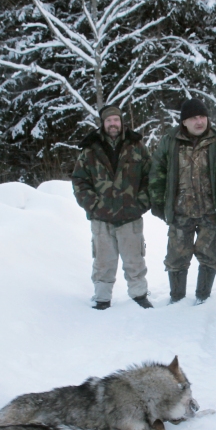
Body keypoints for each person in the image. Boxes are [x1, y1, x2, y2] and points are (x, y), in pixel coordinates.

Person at [72, 105, 153, 310]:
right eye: (109, 121)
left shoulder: (136, 146)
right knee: (103, 261)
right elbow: (79, 181)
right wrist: (94, 205)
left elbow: (150, 177)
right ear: (103, 123)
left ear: (121, 122)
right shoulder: (90, 149)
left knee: (134, 260)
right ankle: (102, 298)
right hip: (101, 217)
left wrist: (140, 203)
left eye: (116, 120)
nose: (113, 124)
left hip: (130, 215)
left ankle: (139, 295)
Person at [149, 98, 216, 304]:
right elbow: (158, 171)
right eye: (193, 118)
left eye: (202, 117)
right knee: (176, 258)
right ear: (184, 122)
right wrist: (157, 202)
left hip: (212, 210)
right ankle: (177, 297)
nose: (199, 121)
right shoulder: (170, 140)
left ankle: (203, 296)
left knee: (210, 255)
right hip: (180, 210)